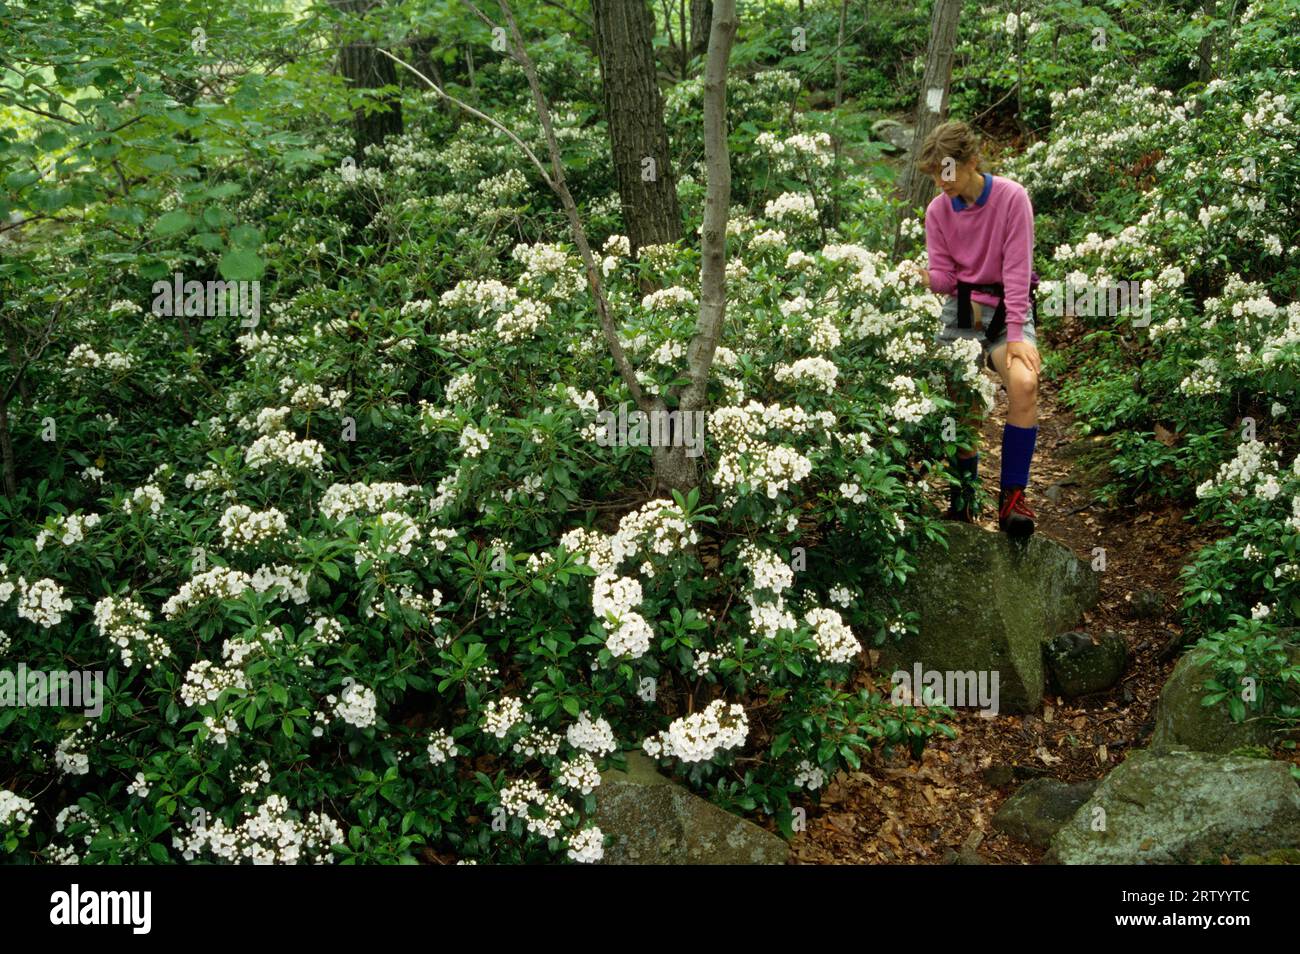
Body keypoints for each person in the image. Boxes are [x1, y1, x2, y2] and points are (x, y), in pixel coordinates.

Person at [912, 121, 1041, 538]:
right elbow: (949, 281)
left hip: (1007, 305)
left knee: (1023, 384)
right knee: (962, 397)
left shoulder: (1011, 198)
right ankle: (963, 498)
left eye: (946, 171)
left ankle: (1012, 501)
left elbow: (1018, 270)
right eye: (934, 174)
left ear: (971, 162)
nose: (940, 182)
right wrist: (923, 278)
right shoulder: (938, 211)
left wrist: (1017, 333)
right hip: (965, 306)